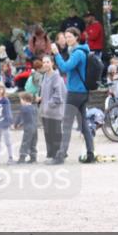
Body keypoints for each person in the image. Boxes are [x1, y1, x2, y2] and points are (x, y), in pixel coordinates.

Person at [51, 27, 96, 165]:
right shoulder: (82, 50)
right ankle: (90, 154)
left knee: (67, 124)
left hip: (75, 92)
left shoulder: (78, 53)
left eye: (70, 36)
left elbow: (65, 68)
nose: (67, 39)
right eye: (66, 36)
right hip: (82, 92)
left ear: (77, 37)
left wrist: (56, 54)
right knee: (83, 125)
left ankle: (61, 155)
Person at [38, 55, 66, 162]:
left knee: (55, 135)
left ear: (52, 63)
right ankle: (51, 155)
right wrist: (40, 98)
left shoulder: (56, 77)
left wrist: (48, 105)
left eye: (47, 62)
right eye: (44, 62)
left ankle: (58, 157)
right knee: (48, 134)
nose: (45, 64)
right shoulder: (44, 76)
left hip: (54, 111)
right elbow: (45, 92)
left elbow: (58, 96)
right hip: (46, 112)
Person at [16, 91, 38, 164]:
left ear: (25, 100)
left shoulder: (24, 108)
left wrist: (16, 124)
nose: (20, 101)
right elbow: (30, 118)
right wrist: (22, 123)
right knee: (33, 143)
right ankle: (33, 158)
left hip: (28, 128)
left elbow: (19, 117)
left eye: (21, 100)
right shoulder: (34, 107)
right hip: (35, 128)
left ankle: (22, 158)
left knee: (25, 142)